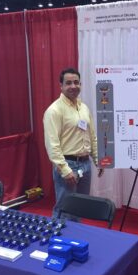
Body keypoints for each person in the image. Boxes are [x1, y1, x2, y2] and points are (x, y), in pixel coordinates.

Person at [43, 68, 103, 218]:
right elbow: (52, 144)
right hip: (67, 165)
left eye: (76, 82)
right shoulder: (54, 110)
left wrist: (97, 160)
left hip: (85, 165)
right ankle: (59, 239)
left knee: (80, 207)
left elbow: (92, 136)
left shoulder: (83, 108)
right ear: (61, 86)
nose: (73, 86)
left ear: (80, 84)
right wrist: (65, 169)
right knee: (65, 209)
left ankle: (75, 239)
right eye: (68, 83)